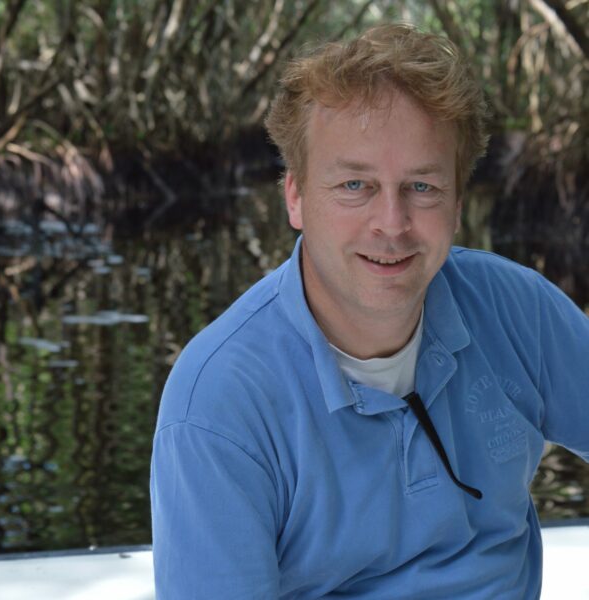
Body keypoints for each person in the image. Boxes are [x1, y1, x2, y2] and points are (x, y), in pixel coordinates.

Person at [150, 23, 589, 599]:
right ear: (296, 197)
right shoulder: (219, 402)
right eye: (355, 184)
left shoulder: (517, 310)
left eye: (422, 187)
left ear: (458, 203)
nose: (392, 223)